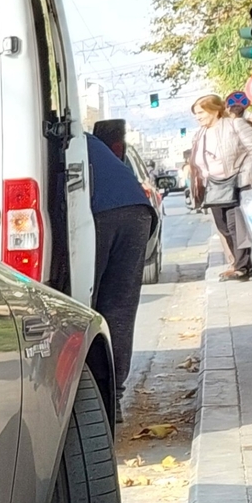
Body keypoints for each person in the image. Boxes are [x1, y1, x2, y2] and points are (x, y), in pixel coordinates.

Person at [86, 119, 160, 397]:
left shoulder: (62, 143)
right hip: (138, 211)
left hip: (100, 214)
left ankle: (94, 395)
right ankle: (113, 394)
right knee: (120, 305)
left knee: (84, 307)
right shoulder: (87, 142)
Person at [187, 93, 252, 280]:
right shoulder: (200, 133)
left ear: (214, 110)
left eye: (201, 112)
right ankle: (244, 265)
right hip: (214, 185)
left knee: (236, 225)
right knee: (223, 227)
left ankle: (240, 266)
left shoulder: (235, 125)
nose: (198, 117)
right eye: (196, 114)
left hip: (239, 180)